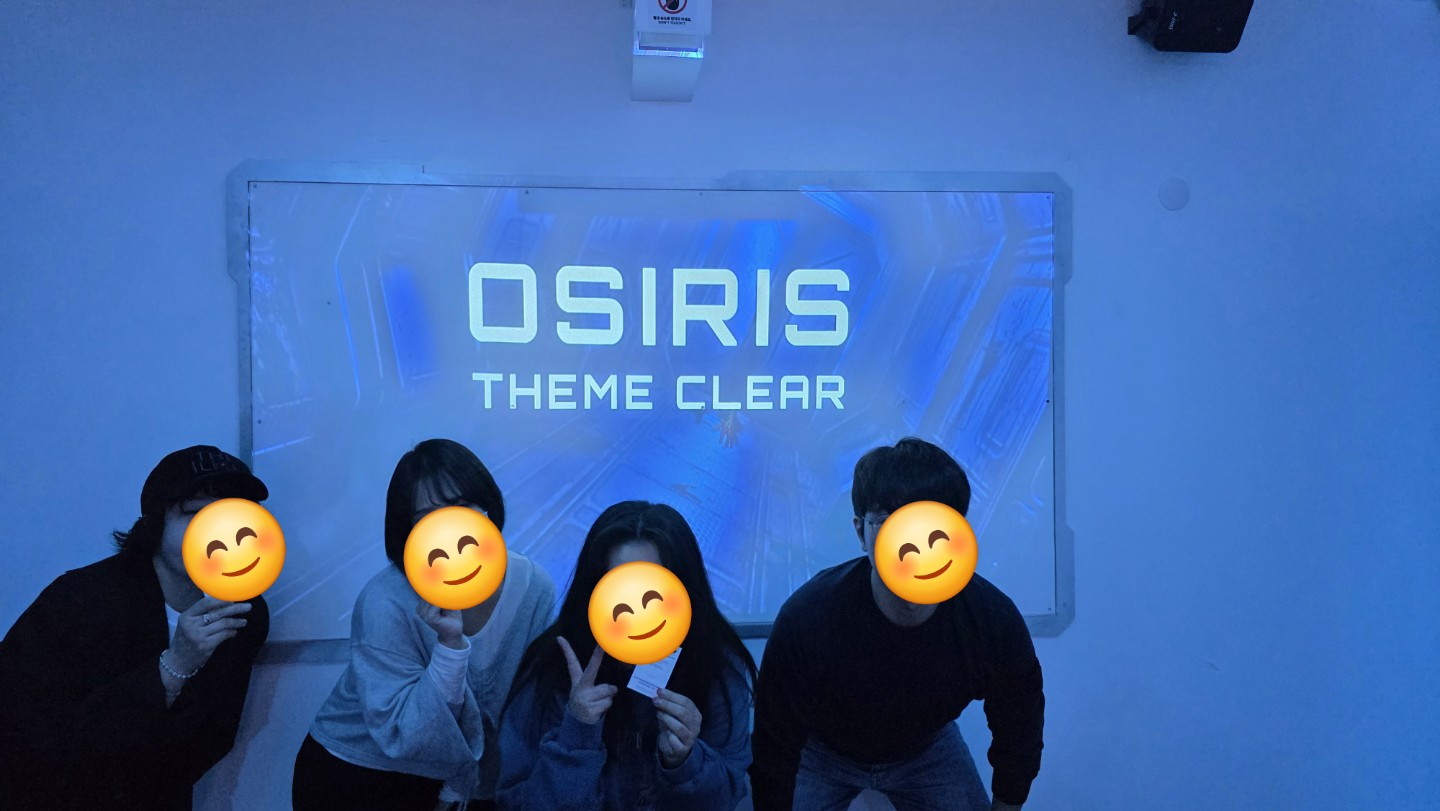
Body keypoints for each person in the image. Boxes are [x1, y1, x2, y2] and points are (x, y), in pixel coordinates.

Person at [749, 437, 1045, 811]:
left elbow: (1019, 724)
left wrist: (1007, 804)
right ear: (861, 532)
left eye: (933, 526)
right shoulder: (809, 617)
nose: (916, 547)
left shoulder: (991, 620)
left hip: (927, 748)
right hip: (822, 749)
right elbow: (774, 741)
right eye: (892, 524)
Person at [0, 444, 273, 810]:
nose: (218, 534)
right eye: (196, 515)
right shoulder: (79, 600)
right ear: (156, 523)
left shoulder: (245, 611)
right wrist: (176, 664)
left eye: (233, 517)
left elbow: (214, 734)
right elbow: (36, 728)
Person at [292, 438, 555, 811]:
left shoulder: (533, 587)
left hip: (462, 781)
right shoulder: (385, 599)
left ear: (488, 508)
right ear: (408, 531)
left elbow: (527, 708)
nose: (449, 525)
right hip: (361, 771)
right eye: (429, 516)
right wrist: (449, 648)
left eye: (462, 507)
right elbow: (406, 735)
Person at [496, 500, 755, 811]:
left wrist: (686, 761)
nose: (636, 611)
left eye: (654, 591)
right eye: (618, 589)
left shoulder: (717, 666)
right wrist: (576, 735)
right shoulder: (554, 665)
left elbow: (725, 798)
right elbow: (513, 800)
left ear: (686, 589)